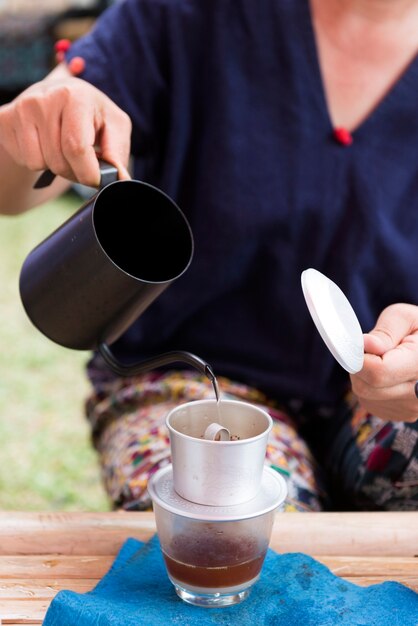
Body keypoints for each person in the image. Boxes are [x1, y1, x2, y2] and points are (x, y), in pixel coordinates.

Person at [0, 0, 417, 512]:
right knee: (228, 531)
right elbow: (13, 184)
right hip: (192, 384)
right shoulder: (186, 15)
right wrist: (26, 130)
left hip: (390, 396)